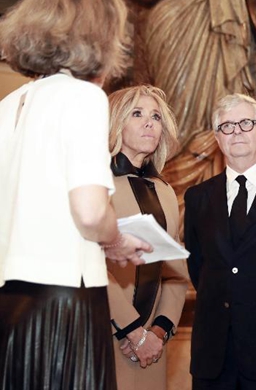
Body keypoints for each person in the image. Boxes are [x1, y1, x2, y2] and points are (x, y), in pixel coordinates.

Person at [0, 0, 152, 389]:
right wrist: (116, 240)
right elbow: (88, 211)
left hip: (11, 296)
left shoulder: (8, 105)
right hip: (64, 297)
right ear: (99, 35)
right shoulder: (82, 97)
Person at [185, 93, 256, 389]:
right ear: (217, 138)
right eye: (226, 126)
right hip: (213, 356)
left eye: (246, 123)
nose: (236, 130)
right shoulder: (197, 198)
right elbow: (198, 268)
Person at [107, 85, 190, 389]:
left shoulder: (167, 192)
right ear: (115, 122)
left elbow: (175, 271)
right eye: (137, 114)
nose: (150, 123)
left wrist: (158, 331)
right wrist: (133, 331)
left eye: (156, 116)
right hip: (107, 333)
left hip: (152, 348)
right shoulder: (97, 185)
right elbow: (89, 264)